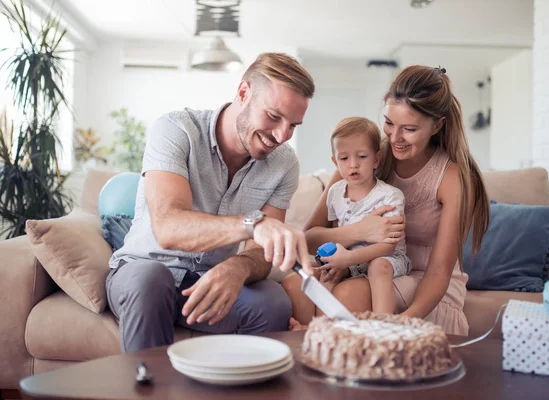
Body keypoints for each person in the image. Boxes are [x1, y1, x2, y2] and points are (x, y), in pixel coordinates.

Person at [106, 53, 316, 353]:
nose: (282, 135)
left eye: (293, 125)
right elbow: (168, 227)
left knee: (272, 302)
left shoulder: (284, 164)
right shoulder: (176, 130)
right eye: (273, 116)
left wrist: (239, 266)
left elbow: (261, 252)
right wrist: (251, 226)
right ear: (243, 93)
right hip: (143, 270)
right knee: (150, 280)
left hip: (208, 279)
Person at [283, 65, 489, 335]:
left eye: (410, 129)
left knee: (347, 295)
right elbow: (307, 238)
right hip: (364, 267)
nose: (394, 138)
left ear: (437, 125)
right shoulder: (366, 156)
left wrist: (400, 324)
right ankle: (316, 350)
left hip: (423, 283)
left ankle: (325, 342)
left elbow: (438, 272)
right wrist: (357, 232)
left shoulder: (452, 177)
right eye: (389, 123)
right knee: (294, 286)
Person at [307, 117, 411, 315]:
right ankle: (319, 327)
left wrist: (349, 258)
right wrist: (338, 259)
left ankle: (385, 324)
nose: (353, 165)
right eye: (344, 159)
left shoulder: (390, 196)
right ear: (335, 162)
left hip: (388, 257)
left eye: (362, 156)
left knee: (378, 266)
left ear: (376, 160)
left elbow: (388, 246)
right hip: (351, 259)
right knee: (327, 273)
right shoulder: (335, 192)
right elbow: (337, 231)